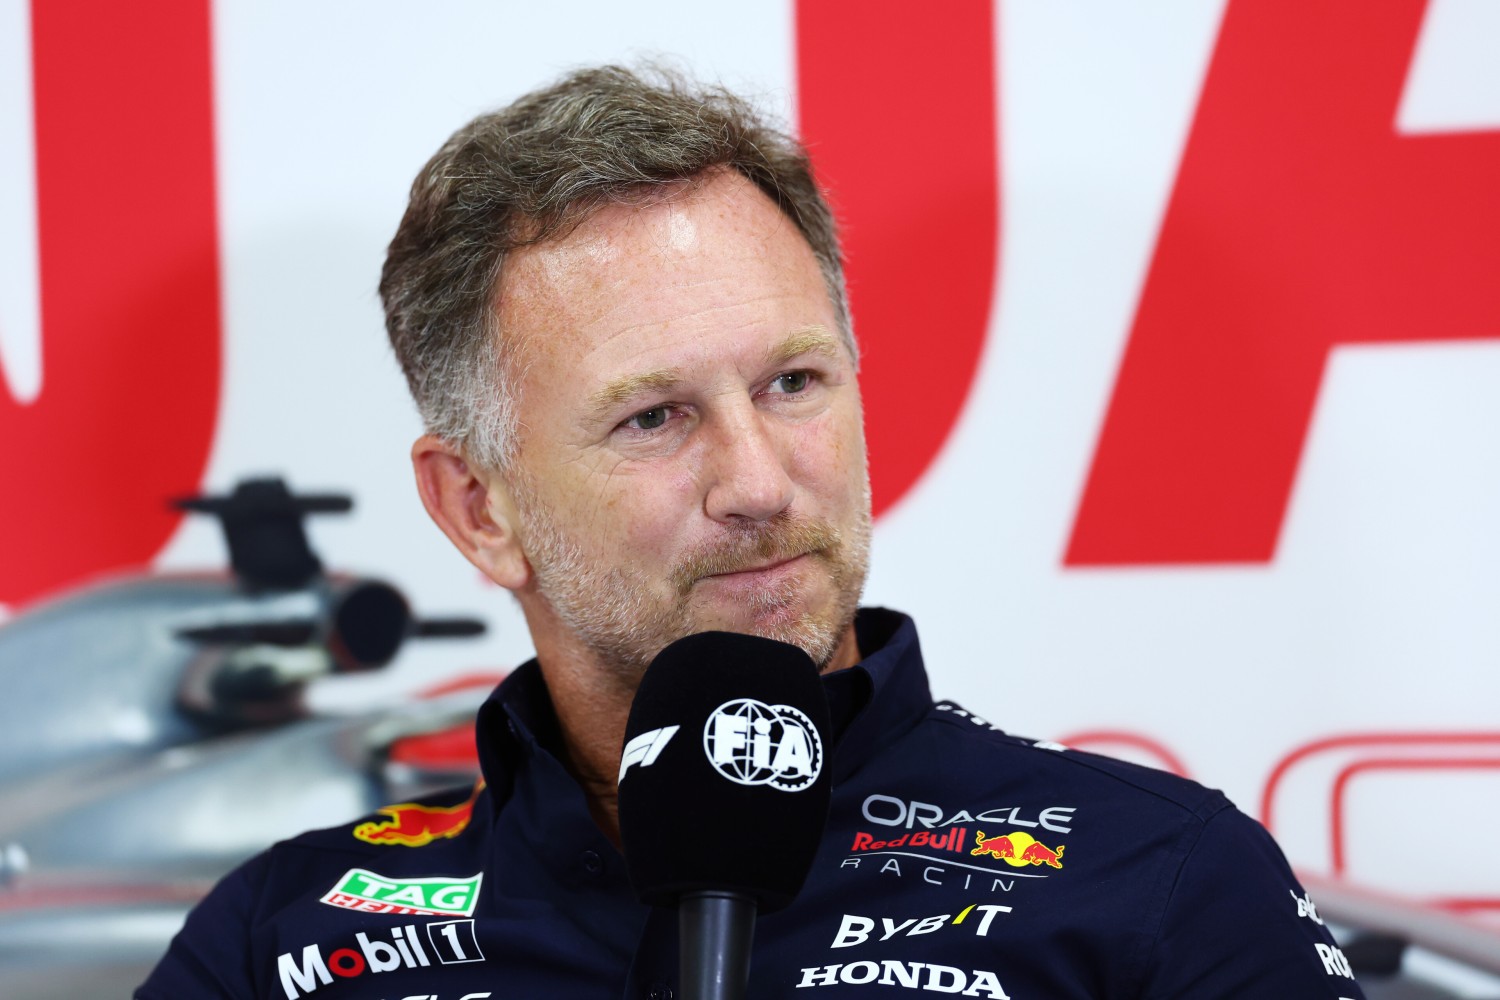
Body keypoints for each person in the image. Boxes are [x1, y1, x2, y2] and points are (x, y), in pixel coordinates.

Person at [139, 66, 1365, 999]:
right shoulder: (284, 940)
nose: (760, 482)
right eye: (655, 416)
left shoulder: (1158, 881)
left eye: (793, 382)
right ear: (479, 507)